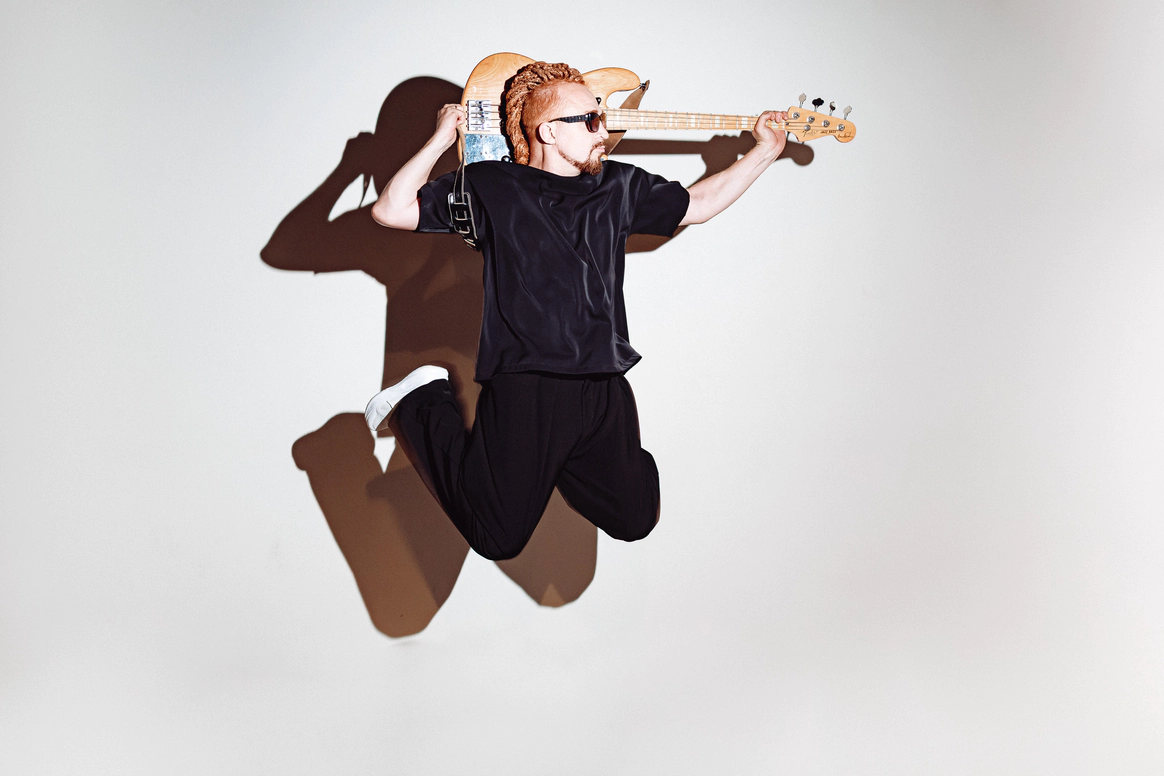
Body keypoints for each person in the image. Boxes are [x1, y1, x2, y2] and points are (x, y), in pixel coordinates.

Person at [365, 61, 787, 561]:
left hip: (604, 380)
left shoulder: (619, 185)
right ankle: (421, 401)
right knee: (497, 538)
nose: (603, 133)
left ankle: (557, 461)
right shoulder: (492, 186)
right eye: (590, 121)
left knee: (635, 517)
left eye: (601, 119)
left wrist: (765, 151)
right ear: (548, 131)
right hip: (529, 384)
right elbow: (391, 210)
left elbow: (697, 204)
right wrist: (440, 139)